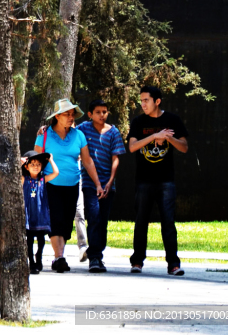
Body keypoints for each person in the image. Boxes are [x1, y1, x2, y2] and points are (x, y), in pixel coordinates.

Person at [34, 98, 104, 273]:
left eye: (73, 114)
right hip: (50, 185)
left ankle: (60, 256)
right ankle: (59, 257)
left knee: (66, 223)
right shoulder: (43, 135)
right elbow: (35, 161)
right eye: (67, 114)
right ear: (57, 116)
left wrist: (98, 184)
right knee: (55, 220)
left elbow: (87, 162)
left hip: (73, 185)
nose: (71, 117)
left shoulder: (78, 135)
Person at [128, 85, 189, 276]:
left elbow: (184, 147)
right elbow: (132, 147)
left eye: (146, 100)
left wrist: (167, 139)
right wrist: (154, 136)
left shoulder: (172, 120)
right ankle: (137, 261)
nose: (143, 104)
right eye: (141, 100)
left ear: (157, 101)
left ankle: (173, 264)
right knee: (141, 222)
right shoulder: (138, 122)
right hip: (144, 181)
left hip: (166, 181)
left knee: (168, 222)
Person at [76, 99, 126, 273]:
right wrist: (45, 129)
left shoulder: (113, 132)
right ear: (90, 114)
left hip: (107, 185)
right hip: (90, 183)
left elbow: (116, 158)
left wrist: (110, 182)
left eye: (105, 111)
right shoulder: (83, 129)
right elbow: (66, 132)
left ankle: (97, 253)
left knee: (102, 220)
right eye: (98, 112)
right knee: (94, 216)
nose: (102, 115)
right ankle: (95, 257)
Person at [21, 150, 58, 274]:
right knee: (29, 240)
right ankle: (31, 262)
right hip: (29, 214)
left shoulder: (43, 179)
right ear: (26, 167)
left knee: (41, 239)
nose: (35, 167)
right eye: (32, 164)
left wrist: (51, 160)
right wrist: (20, 162)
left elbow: (56, 172)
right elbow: (13, 173)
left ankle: (39, 256)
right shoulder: (23, 179)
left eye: (38, 164)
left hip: (40, 213)